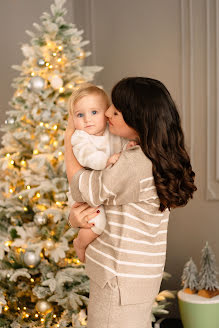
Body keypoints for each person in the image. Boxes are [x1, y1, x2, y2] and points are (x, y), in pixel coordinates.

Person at [64, 77, 197, 328]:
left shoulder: (136, 162)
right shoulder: (153, 153)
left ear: (137, 118)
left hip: (118, 279)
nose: (107, 113)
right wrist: (76, 218)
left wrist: (69, 136)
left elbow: (84, 189)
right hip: (137, 277)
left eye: (116, 110)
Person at [66, 83, 134, 262]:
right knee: (98, 222)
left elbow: (122, 148)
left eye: (94, 112)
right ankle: (80, 244)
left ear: (106, 113)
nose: (87, 119)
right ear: (73, 119)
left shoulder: (112, 133)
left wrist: (128, 147)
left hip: (103, 189)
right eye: (80, 115)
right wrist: (106, 161)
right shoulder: (80, 137)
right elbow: (86, 156)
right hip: (84, 194)